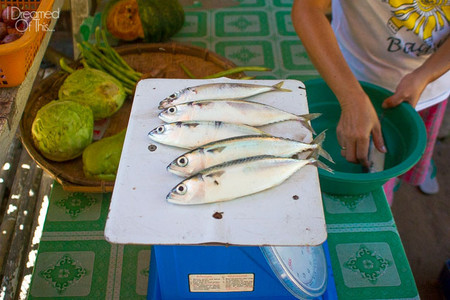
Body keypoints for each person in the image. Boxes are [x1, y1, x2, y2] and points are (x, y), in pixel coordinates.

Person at [291, 0, 450, 203]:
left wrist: (426, 75)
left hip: (433, 85)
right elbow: (307, 8)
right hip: (351, 74)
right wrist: (351, 98)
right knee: (376, 172)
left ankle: (418, 170)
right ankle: (392, 184)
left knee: (414, 143)